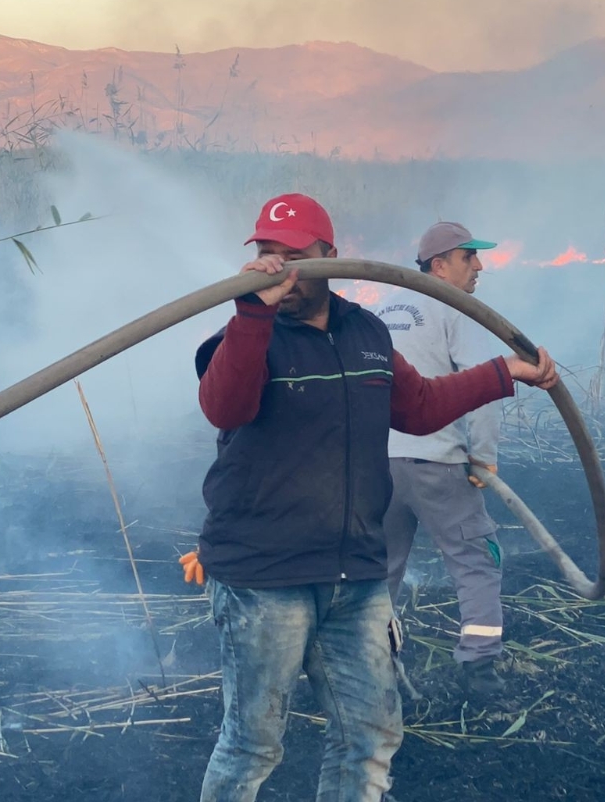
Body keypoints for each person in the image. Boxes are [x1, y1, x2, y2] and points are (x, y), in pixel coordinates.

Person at [189, 193, 559, 802]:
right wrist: (252, 313)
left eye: (295, 254)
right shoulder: (243, 334)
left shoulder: (365, 331)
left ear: (328, 258)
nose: (279, 264)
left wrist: (503, 374)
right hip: (264, 578)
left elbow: (416, 408)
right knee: (253, 742)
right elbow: (225, 407)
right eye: (266, 251)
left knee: (370, 733)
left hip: (354, 576)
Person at [375, 222, 511, 697]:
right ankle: (479, 667)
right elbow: (487, 387)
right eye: (467, 257)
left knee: (379, 570)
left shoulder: (384, 308)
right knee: (475, 559)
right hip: (438, 464)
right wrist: (484, 458)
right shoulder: (457, 310)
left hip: (380, 466)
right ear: (439, 266)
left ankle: (372, 666)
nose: (478, 267)